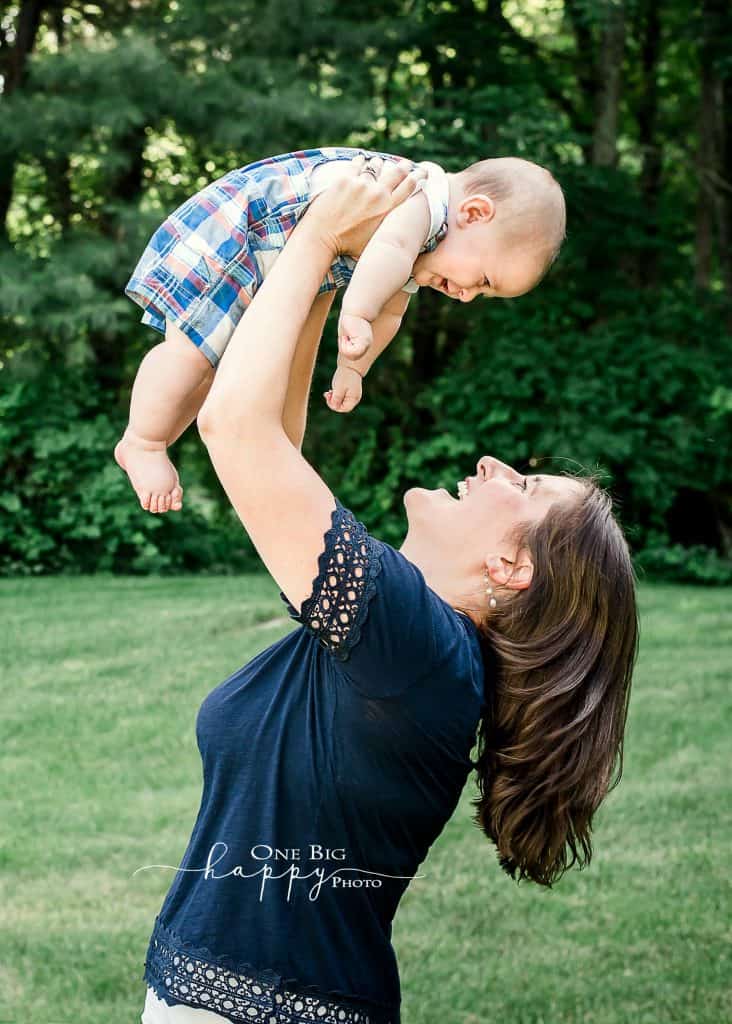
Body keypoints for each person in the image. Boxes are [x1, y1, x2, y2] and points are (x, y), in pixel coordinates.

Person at [138, 156, 638, 1024]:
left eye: (521, 487)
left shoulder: (417, 650)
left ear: (511, 572)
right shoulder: (408, 640)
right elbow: (277, 440)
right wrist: (327, 280)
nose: (492, 465)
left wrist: (317, 237)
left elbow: (235, 430)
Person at [116, 146, 565, 514]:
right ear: (474, 212)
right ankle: (143, 440)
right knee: (188, 352)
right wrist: (353, 315)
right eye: (484, 280)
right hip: (240, 230)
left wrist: (353, 369)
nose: (468, 295)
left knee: (209, 368)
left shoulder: (423, 251)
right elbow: (385, 254)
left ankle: (158, 439)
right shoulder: (422, 199)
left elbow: (389, 313)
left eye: (483, 295)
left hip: (267, 254)